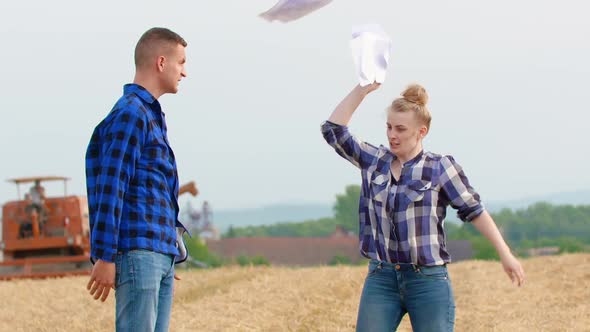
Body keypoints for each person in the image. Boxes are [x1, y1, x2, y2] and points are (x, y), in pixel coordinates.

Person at [321, 83, 525, 332]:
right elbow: (334, 131)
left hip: (428, 281)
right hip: (381, 279)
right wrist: (362, 90)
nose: (392, 135)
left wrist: (505, 253)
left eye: (400, 129)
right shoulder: (375, 161)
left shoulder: (439, 168)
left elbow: (474, 211)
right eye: (388, 127)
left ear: (421, 131)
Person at [85, 27, 189, 332]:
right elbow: (112, 186)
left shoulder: (149, 115)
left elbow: (152, 190)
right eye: (181, 62)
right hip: (138, 254)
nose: (185, 72)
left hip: (157, 253)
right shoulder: (131, 113)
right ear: (160, 62)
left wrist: (167, 248)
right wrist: (104, 256)